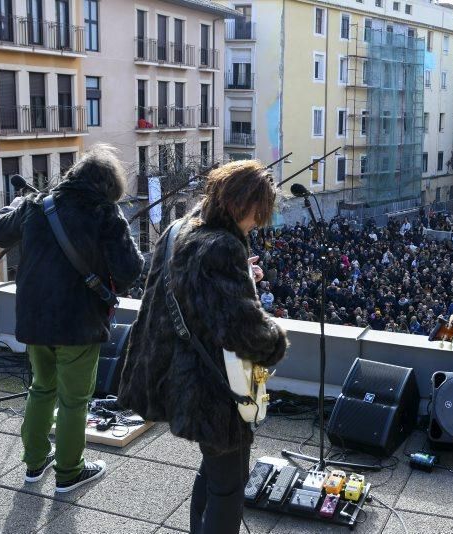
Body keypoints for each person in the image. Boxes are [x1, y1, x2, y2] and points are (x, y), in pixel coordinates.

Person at [118, 160, 288, 534]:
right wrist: (275, 340)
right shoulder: (222, 247)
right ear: (243, 205)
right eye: (258, 214)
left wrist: (242, 274)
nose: (258, 223)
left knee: (214, 469)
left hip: (174, 371)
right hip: (211, 385)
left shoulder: (182, 228)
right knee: (229, 483)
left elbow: (187, 292)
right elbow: (244, 330)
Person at [0, 144, 144, 493]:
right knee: (74, 400)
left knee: (41, 388)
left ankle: (35, 462)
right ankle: (69, 473)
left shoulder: (35, 205)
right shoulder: (105, 214)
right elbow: (131, 271)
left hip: (35, 319)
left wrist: (15, 205)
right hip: (79, 322)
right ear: (109, 186)